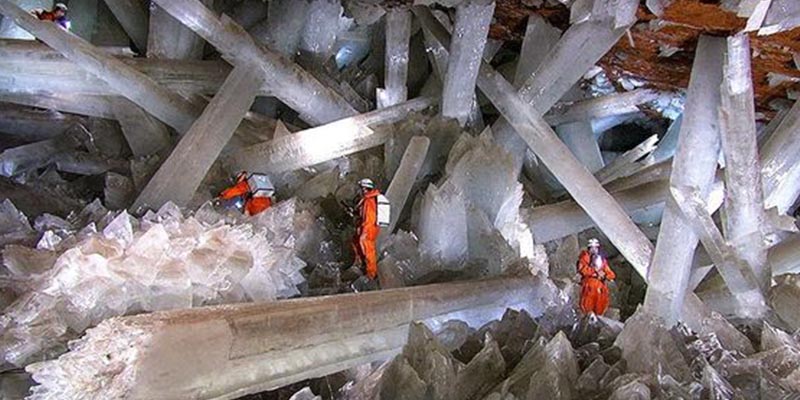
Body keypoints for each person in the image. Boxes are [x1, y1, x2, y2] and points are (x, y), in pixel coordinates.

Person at [352, 178, 382, 280]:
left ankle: (371, 274)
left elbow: (370, 217)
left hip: (369, 227)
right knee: (356, 241)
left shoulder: (370, 201)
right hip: (365, 226)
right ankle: (361, 263)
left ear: (364, 188)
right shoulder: (366, 199)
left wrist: (365, 230)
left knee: (368, 249)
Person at [577, 238, 616, 316]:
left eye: (595, 248)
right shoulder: (585, 257)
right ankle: (586, 314)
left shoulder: (602, 261)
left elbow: (611, 274)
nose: (594, 250)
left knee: (601, 298)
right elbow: (583, 269)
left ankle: (598, 316)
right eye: (592, 248)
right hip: (589, 282)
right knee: (589, 296)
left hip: (600, 286)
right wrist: (595, 272)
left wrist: (604, 275)